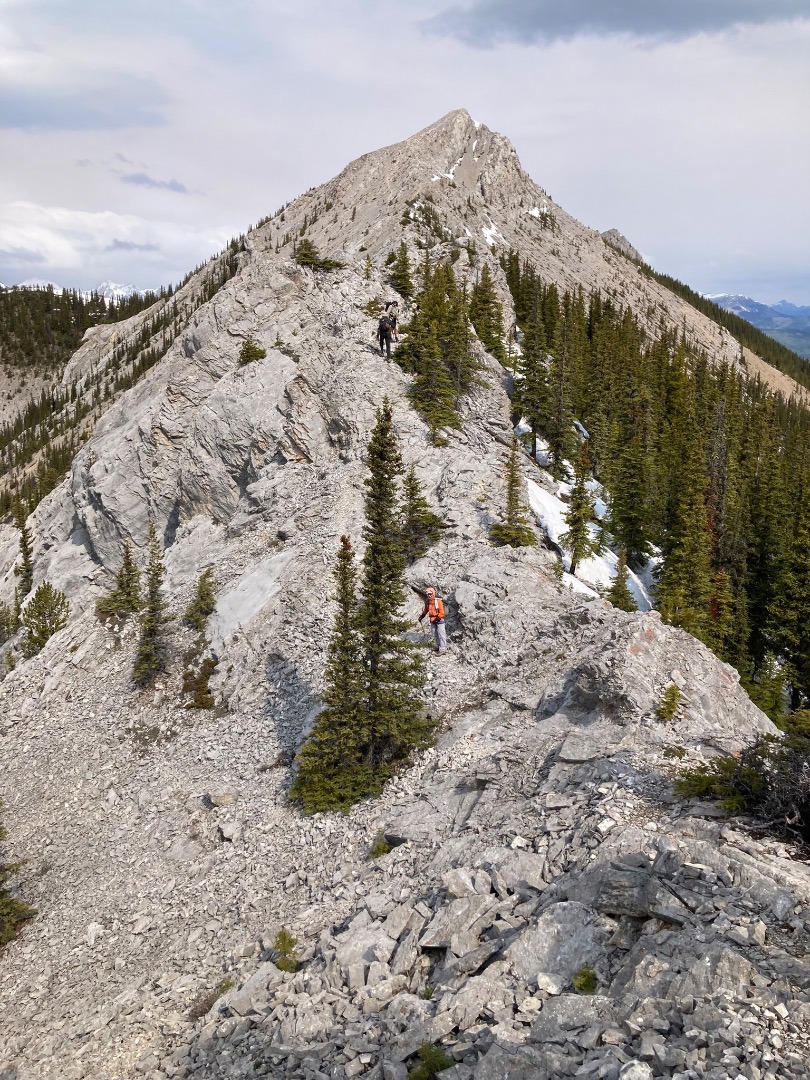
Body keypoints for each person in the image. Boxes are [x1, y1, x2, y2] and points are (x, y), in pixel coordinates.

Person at [418, 587, 446, 654]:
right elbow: (426, 610)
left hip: (440, 620)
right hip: (433, 620)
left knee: (441, 634)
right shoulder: (428, 602)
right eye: (428, 594)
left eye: (430, 594)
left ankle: (442, 649)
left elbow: (442, 612)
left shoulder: (438, 601)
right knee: (434, 634)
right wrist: (422, 616)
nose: (429, 595)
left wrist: (437, 618)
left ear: (433, 593)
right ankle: (438, 646)